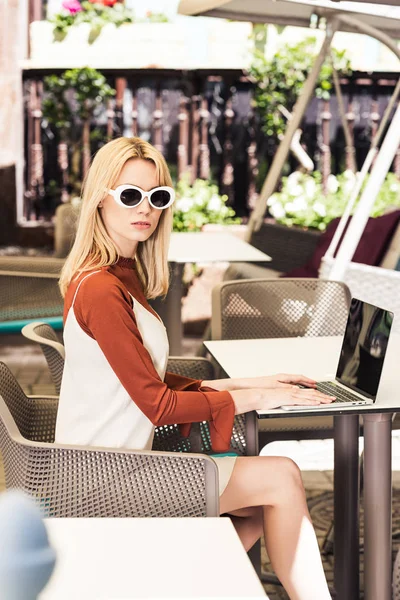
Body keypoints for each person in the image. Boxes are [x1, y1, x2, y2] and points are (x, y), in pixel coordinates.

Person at [56, 137, 334, 600]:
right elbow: (158, 405)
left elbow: (145, 378)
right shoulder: (102, 289)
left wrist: (250, 383)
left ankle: (175, 586)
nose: (146, 208)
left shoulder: (117, 272)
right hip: (104, 477)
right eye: (130, 195)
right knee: (281, 476)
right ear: (100, 198)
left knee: (264, 500)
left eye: (158, 197)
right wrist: (256, 398)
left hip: (107, 464)